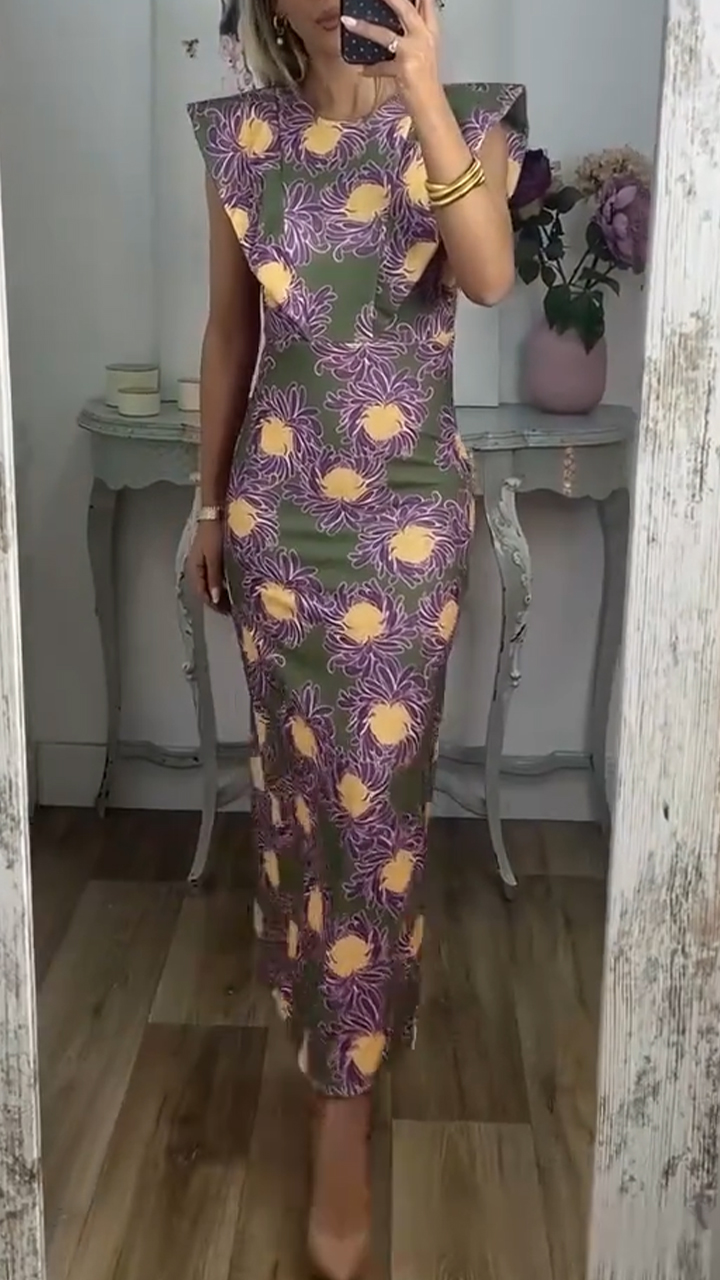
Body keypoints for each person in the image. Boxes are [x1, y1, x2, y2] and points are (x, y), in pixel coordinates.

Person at [188, 0, 526, 1273]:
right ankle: (319, 1003)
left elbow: (487, 275)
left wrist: (425, 90)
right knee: (300, 798)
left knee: (373, 813)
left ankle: (345, 1105)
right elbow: (231, 333)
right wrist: (207, 504)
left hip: (406, 535)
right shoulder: (240, 141)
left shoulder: (473, 120)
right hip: (275, 528)